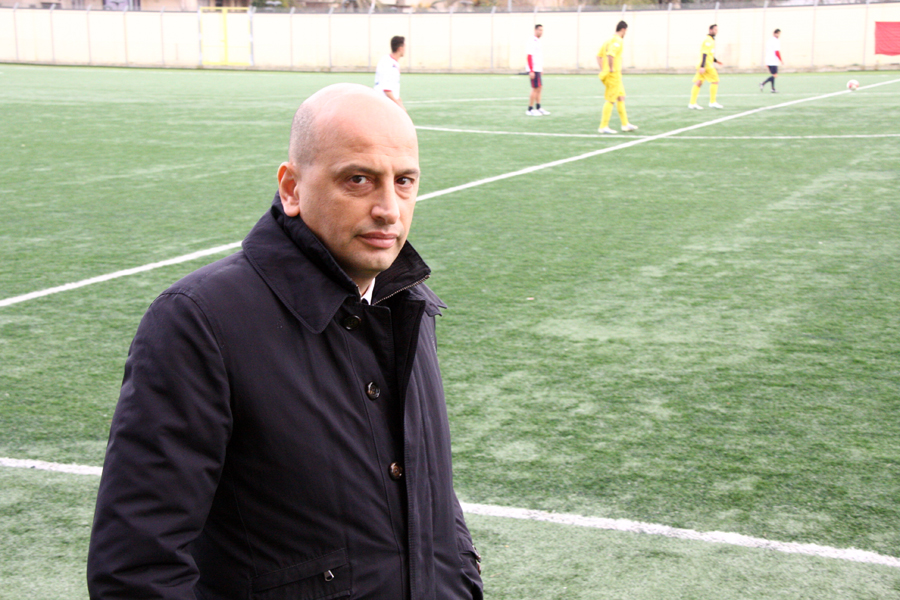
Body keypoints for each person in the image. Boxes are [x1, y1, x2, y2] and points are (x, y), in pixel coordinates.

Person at [87, 83, 484, 600]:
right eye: (359, 179)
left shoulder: (408, 303)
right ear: (292, 189)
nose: (389, 208)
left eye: (404, 181)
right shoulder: (201, 322)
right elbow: (137, 567)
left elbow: (428, 487)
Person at [596, 20, 637, 134]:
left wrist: (603, 69)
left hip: (615, 75)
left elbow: (598, 56)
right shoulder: (618, 40)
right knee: (610, 100)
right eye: (626, 31)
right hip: (613, 75)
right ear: (623, 29)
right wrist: (610, 68)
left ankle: (625, 124)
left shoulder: (608, 40)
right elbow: (610, 55)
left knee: (621, 97)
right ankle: (603, 126)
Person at [689, 24, 724, 110]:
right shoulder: (708, 40)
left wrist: (716, 61)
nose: (716, 31)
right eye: (715, 30)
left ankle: (692, 103)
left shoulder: (711, 40)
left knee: (698, 82)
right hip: (706, 65)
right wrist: (702, 66)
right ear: (710, 30)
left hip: (704, 64)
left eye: (717, 30)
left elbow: (709, 54)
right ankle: (712, 102)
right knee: (715, 80)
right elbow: (704, 54)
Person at [374, 35, 406, 110]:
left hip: (387, 101)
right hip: (384, 102)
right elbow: (386, 89)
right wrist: (399, 105)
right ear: (400, 48)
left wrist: (398, 98)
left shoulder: (392, 61)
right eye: (404, 47)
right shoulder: (388, 63)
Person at [526, 24, 549, 116]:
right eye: (539, 30)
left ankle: (538, 107)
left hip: (538, 68)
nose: (541, 32)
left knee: (539, 87)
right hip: (534, 68)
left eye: (542, 30)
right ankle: (530, 109)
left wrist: (540, 68)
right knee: (535, 88)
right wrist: (531, 70)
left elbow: (538, 56)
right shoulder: (532, 40)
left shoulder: (538, 41)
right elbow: (529, 56)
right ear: (535, 30)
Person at [760, 29, 783, 93]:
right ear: (774, 33)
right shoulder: (776, 41)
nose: (778, 35)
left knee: (773, 75)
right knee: (775, 75)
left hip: (768, 60)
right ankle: (763, 83)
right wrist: (781, 60)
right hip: (773, 60)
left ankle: (773, 89)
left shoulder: (769, 40)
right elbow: (776, 51)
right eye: (778, 33)